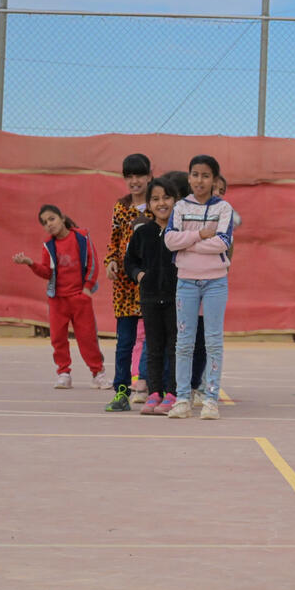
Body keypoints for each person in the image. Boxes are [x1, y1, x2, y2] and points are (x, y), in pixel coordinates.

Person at [164, 155, 235, 420]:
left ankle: (211, 400)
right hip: (186, 282)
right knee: (184, 341)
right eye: (195, 174)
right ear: (189, 177)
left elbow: (223, 242)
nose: (199, 180)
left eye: (205, 176)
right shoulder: (180, 207)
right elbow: (170, 240)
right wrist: (199, 235)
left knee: (213, 341)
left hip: (215, 282)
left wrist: (188, 243)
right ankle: (183, 399)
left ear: (215, 180)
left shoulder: (224, 208)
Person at [13, 205, 110, 390]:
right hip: (58, 300)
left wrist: (87, 288)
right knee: (58, 338)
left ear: (62, 218)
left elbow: (92, 263)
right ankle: (64, 373)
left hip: (80, 299)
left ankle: (98, 373)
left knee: (87, 338)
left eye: (52, 219)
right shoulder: (48, 246)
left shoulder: (81, 237)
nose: (49, 224)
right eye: (44, 222)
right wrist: (30, 263)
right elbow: (46, 272)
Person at [124, 177, 180, 415]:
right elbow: (130, 261)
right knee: (154, 346)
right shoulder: (143, 231)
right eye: (155, 199)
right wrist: (138, 275)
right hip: (149, 298)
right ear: (149, 204)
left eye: (166, 198)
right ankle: (154, 392)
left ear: (176, 201)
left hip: (176, 299)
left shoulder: (180, 232)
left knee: (174, 347)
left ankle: (173, 393)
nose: (162, 203)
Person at [103, 153, 152, 412]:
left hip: (150, 283)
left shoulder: (158, 206)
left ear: (149, 177)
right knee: (125, 341)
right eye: (129, 176)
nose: (134, 181)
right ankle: (121, 391)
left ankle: (145, 386)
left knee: (152, 338)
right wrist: (110, 261)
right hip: (124, 286)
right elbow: (113, 240)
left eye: (139, 175)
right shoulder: (120, 207)